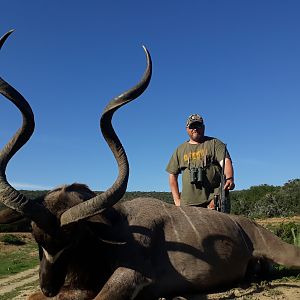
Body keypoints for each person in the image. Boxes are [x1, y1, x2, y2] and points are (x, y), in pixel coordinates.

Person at [166, 114, 235, 209]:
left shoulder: (214, 143)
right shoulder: (180, 150)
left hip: (213, 201)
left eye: (198, 126)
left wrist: (229, 178)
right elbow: (172, 175)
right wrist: (177, 200)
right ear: (187, 129)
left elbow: (226, 162)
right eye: (192, 126)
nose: (195, 129)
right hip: (188, 205)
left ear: (203, 127)